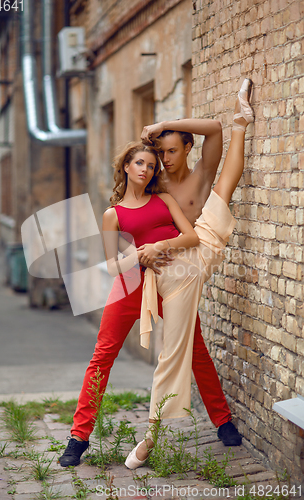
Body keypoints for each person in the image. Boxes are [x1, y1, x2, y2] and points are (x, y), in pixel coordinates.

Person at [59, 78, 253, 468]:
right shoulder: (114, 213)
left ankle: (223, 422)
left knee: (194, 350)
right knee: (102, 357)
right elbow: (113, 263)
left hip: (171, 280)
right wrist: (139, 258)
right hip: (129, 285)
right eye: (143, 162)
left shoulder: (164, 195)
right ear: (127, 168)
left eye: (154, 162)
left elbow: (189, 234)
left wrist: (160, 249)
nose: (150, 167)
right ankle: (78, 438)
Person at [124, 78, 254, 468]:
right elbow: (131, 198)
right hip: (175, 266)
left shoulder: (199, 175)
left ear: (186, 148)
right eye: (160, 152)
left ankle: (240, 124)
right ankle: (160, 433)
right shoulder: (157, 185)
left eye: (170, 151)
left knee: (223, 187)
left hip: (201, 247)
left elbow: (210, 130)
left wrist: (164, 121)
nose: (164, 159)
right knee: (178, 350)